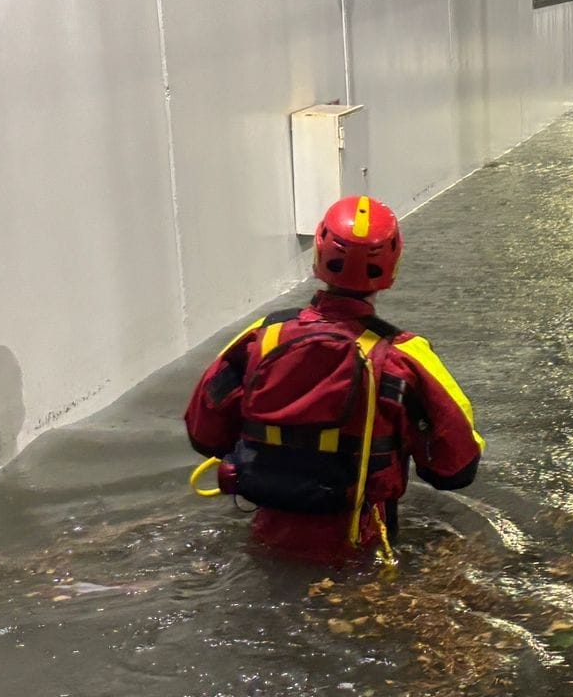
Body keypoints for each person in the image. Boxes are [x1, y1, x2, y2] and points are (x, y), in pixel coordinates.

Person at [184, 195, 483, 564]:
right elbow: (455, 469)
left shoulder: (262, 337)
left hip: (265, 533)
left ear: (319, 256)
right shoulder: (403, 357)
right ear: (393, 266)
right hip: (364, 544)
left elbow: (203, 434)